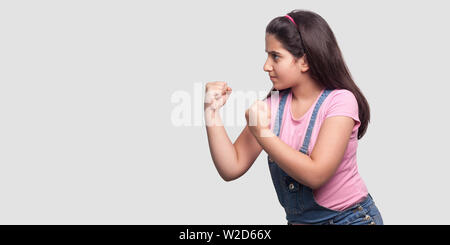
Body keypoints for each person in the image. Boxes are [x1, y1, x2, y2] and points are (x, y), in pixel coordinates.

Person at [204, 9, 383, 225]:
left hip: (350, 219)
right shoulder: (273, 106)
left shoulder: (341, 101)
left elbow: (317, 174)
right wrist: (211, 112)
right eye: (267, 55)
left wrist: (263, 133)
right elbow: (231, 166)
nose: (265, 66)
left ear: (304, 62)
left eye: (275, 56)